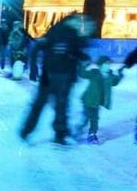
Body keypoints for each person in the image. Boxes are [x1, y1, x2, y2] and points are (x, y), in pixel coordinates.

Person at [20, 13, 95, 146]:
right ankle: (28, 132)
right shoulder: (58, 32)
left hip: (63, 76)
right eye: (78, 22)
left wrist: (84, 55)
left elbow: (75, 52)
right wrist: (33, 68)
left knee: (60, 106)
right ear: (71, 21)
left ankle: (59, 135)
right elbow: (40, 46)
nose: (80, 25)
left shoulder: (72, 34)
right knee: (42, 104)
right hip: (52, 75)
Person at [76, 55, 123, 144]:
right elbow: (83, 74)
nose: (107, 65)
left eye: (109, 64)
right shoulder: (94, 72)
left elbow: (115, 82)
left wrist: (120, 74)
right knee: (86, 118)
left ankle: (92, 134)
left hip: (97, 102)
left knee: (94, 118)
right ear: (100, 64)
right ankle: (78, 130)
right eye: (105, 63)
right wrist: (84, 65)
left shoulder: (110, 74)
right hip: (88, 100)